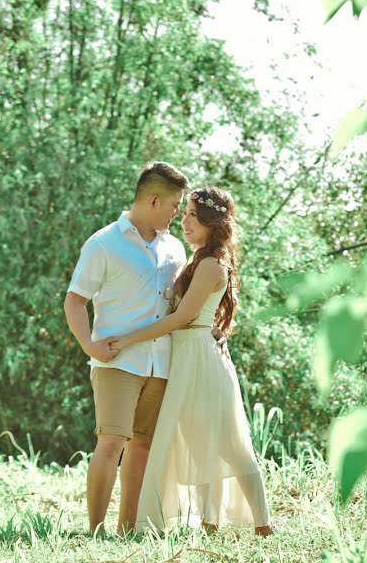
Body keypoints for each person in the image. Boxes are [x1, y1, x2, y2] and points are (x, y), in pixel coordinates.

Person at [107, 187, 272, 536]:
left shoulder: (212, 265)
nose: (184, 221)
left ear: (213, 222)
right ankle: (208, 521)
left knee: (229, 442)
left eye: (192, 215)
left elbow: (182, 317)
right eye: (183, 214)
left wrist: (128, 338)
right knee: (197, 440)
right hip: (184, 356)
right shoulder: (194, 261)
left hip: (200, 356)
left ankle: (263, 524)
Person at [64, 161, 189, 535]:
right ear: (154, 200)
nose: (177, 213)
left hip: (161, 365)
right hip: (117, 361)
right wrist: (89, 345)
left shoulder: (175, 249)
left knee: (143, 447)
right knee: (112, 441)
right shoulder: (103, 243)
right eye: (174, 205)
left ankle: (127, 529)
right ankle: (95, 530)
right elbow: (74, 301)